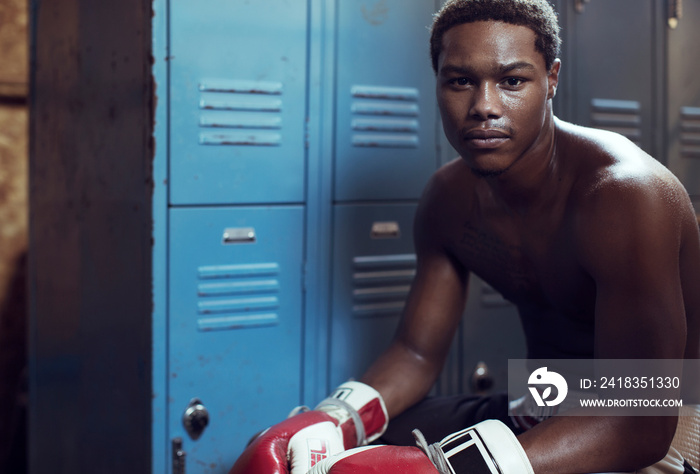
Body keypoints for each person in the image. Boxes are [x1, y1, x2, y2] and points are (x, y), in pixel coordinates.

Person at [229, 1, 700, 473]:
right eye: (460, 81)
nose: (484, 107)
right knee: (330, 454)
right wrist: (334, 420)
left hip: (661, 417)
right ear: (436, 82)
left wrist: (439, 468)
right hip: (546, 399)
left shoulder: (624, 195)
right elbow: (414, 353)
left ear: (552, 78)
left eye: (512, 81)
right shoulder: (448, 199)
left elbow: (639, 423)